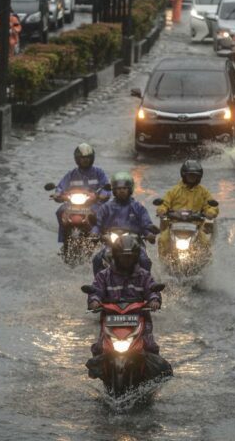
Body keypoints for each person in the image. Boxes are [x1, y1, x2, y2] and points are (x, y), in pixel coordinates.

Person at [85, 233, 171, 380]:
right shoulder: (104, 275)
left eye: (130, 257)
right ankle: (102, 373)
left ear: (136, 256)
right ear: (116, 256)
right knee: (99, 347)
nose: (127, 260)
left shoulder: (143, 275)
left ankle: (153, 376)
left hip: (139, 317)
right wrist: (94, 301)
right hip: (111, 318)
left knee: (150, 345)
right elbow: (96, 290)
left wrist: (154, 300)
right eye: (124, 256)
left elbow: (152, 290)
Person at [91, 172, 157, 274]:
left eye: (124, 188)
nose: (122, 191)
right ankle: (98, 286)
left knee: (145, 261)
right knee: (97, 259)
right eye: (118, 188)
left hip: (135, 243)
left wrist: (149, 234)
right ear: (114, 190)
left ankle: (147, 285)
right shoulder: (106, 207)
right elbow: (97, 224)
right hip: (111, 243)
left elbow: (146, 224)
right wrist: (94, 233)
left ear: (130, 190)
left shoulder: (138, 207)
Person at [156, 160, 219, 257]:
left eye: (194, 175)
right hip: (174, 226)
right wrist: (162, 210)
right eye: (190, 175)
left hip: (196, 227)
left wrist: (210, 212)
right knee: (162, 240)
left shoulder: (203, 192)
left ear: (199, 177)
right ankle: (164, 263)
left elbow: (211, 205)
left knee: (205, 243)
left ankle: (204, 265)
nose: (192, 177)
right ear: (184, 175)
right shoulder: (174, 191)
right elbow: (164, 203)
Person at [53, 143, 111, 245]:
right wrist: (58, 194)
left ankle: (104, 238)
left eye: (88, 157)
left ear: (92, 158)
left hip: (93, 203)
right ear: (77, 159)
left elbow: (106, 187)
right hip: (72, 204)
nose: (85, 160)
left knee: (103, 213)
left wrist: (102, 194)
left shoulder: (99, 172)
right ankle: (63, 238)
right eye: (82, 158)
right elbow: (60, 187)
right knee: (60, 211)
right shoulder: (71, 174)